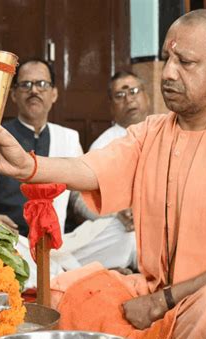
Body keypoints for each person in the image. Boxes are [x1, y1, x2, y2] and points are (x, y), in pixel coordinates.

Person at [0, 9, 206, 339]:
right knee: (67, 291)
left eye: (186, 62)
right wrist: (26, 166)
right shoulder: (152, 132)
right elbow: (92, 169)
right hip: (159, 290)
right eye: (167, 58)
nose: (167, 73)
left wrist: (161, 302)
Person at [0, 59, 83, 237]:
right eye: (26, 85)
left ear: (54, 94)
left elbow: (79, 197)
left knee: (122, 233)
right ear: (13, 94)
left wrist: (112, 214)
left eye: (42, 84)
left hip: (57, 241)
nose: (34, 90)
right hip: (13, 240)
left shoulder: (68, 137)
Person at [62, 71, 151, 272]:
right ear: (111, 107)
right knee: (125, 235)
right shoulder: (103, 146)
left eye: (134, 91)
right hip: (123, 230)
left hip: (161, 226)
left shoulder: (166, 133)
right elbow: (81, 202)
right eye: (120, 95)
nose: (129, 99)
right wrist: (116, 213)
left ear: (147, 96)